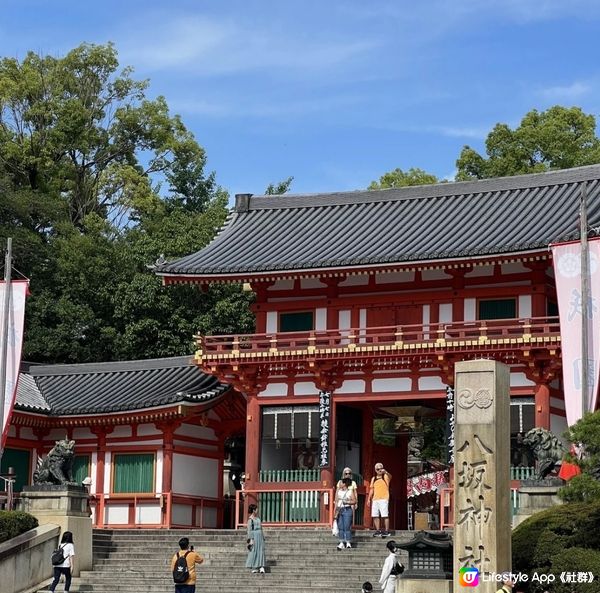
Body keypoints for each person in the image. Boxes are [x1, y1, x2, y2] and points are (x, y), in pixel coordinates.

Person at [367, 462, 392, 537]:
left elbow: (390, 477)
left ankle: (387, 531)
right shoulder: (373, 479)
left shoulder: (385, 476)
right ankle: (378, 530)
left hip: (384, 498)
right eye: (378, 469)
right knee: (375, 515)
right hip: (375, 499)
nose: (380, 470)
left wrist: (386, 472)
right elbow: (372, 489)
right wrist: (369, 499)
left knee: (385, 515)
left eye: (381, 468)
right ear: (375, 470)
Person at [335, 477, 357, 549]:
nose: (340, 484)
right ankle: (341, 542)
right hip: (340, 509)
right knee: (340, 526)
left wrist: (347, 502)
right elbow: (337, 502)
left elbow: (354, 501)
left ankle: (348, 542)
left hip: (347, 509)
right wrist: (335, 511)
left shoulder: (350, 491)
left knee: (347, 527)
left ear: (344, 484)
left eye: (341, 482)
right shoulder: (338, 491)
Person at [246, 503, 267, 573]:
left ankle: (261, 566)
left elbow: (261, 528)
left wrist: (263, 537)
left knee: (261, 550)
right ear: (253, 510)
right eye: (256, 509)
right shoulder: (250, 520)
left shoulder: (258, 519)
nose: (257, 510)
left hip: (260, 535)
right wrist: (250, 539)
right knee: (254, 550)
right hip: (254, 536)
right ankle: (255, 566)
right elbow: (249, 530)